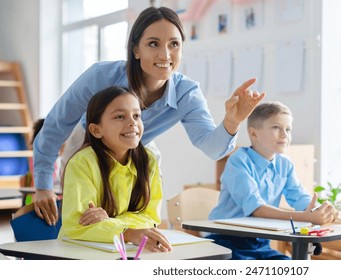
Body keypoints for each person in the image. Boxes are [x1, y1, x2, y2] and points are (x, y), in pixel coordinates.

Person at [33, 6, 265, 226]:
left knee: (140, 202)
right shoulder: (101, 76)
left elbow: (213, 148)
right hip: (88, 141)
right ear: (136, 50)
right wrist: (43, 185)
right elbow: (57, 124)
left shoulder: (187, 93)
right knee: (86, 220)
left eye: (174, 44)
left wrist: (232, 121)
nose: (165, 54)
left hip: (138, 145)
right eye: (153, 43)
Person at [207, 101, 340, 260]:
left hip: (260, 243)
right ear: (254, 134)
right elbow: (257, 209)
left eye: (288, 129)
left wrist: (320, 211)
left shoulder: (285, 164)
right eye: (276, 127)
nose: (284, 134)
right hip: (226, 242)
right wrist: (306, 218)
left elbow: (299, 197)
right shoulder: (238, 161)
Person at [58, 86, 172, 252]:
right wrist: (129, 232)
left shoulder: (148, 161)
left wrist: (111, 223)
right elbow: (77, 226)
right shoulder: (81, 163)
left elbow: (150, 218)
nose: (132, 122)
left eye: (136, 115)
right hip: (79, 251)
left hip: (126, 250)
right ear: (96, 130)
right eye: (120, 116)